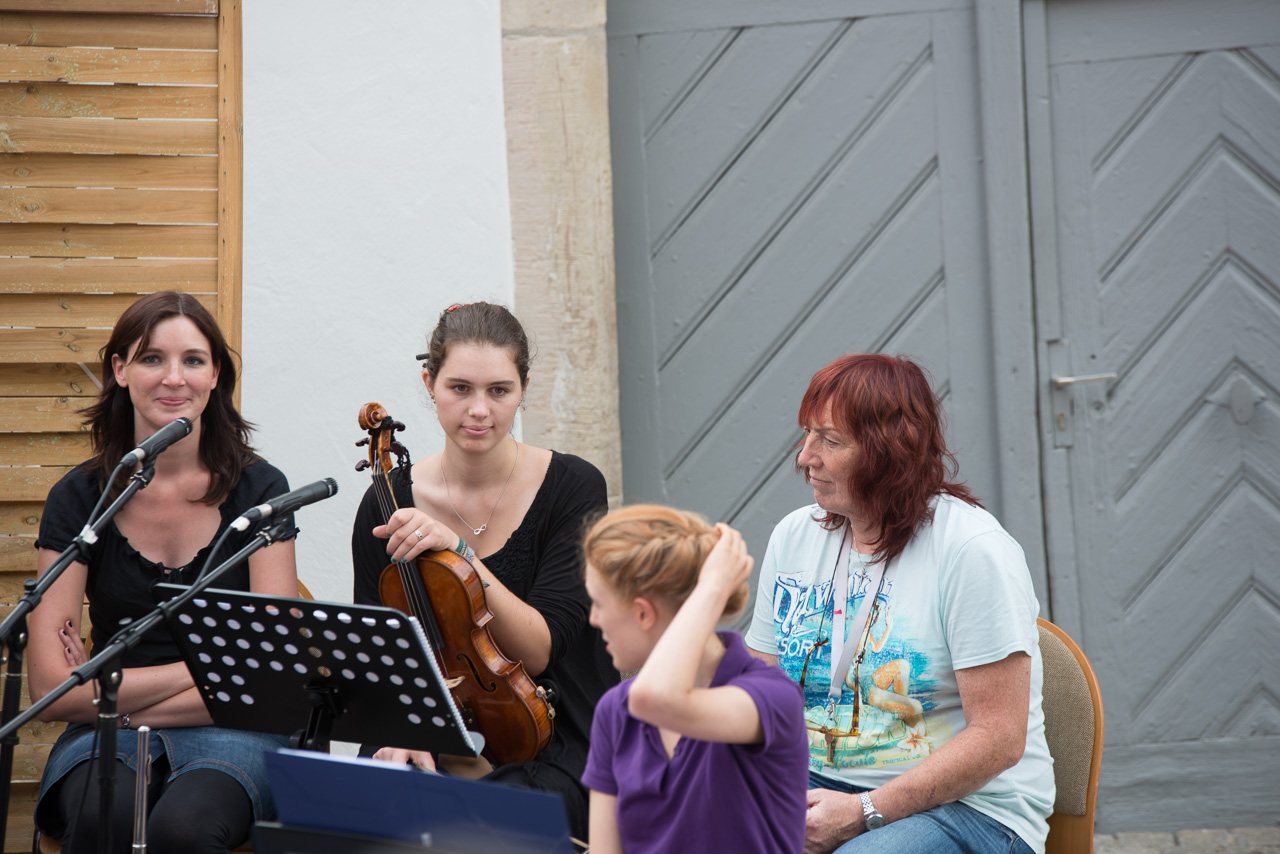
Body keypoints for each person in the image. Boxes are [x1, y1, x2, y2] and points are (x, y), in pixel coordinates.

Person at [745, 354, 1054, 854]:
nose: (805, 457)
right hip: (815, 783)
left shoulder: (972, 551)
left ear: (888, 452)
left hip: (970, 810)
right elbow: (758, 687)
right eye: (807, 434)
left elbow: (999, 737)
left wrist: (863, 812)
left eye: (830, 440)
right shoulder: (795, 537)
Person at [30, 291, 300, 854]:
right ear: (121, 370)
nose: (173, 378)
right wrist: (220, 671)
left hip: (234, 734)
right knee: (103, 818)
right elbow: (51, 690)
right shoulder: (81, 498)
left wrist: (108, 694)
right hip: (105, 735)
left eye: (194, 360)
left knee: (185, 829)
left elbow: (273, 684)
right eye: (152, 358)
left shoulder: (262, 492)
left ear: (215, 375)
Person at [351, 302, 617, 840]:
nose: (479, 410)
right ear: (429, 383)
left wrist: (458, 552)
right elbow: (381, 655)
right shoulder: (386, 502)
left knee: (461, 827)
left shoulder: (573, 487)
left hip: (556, 740)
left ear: (522, 388)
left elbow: (542, 649)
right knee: (362, 815)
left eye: (499, 390)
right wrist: (409, 733)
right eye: (459, 389)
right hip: (431, 728)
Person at [580, 505, 809, 854]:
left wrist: (713, 587)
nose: (593, 619)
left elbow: (656, 699)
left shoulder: (771, 697)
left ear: (643, 613)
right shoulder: (615, 710)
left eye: (598, 603)